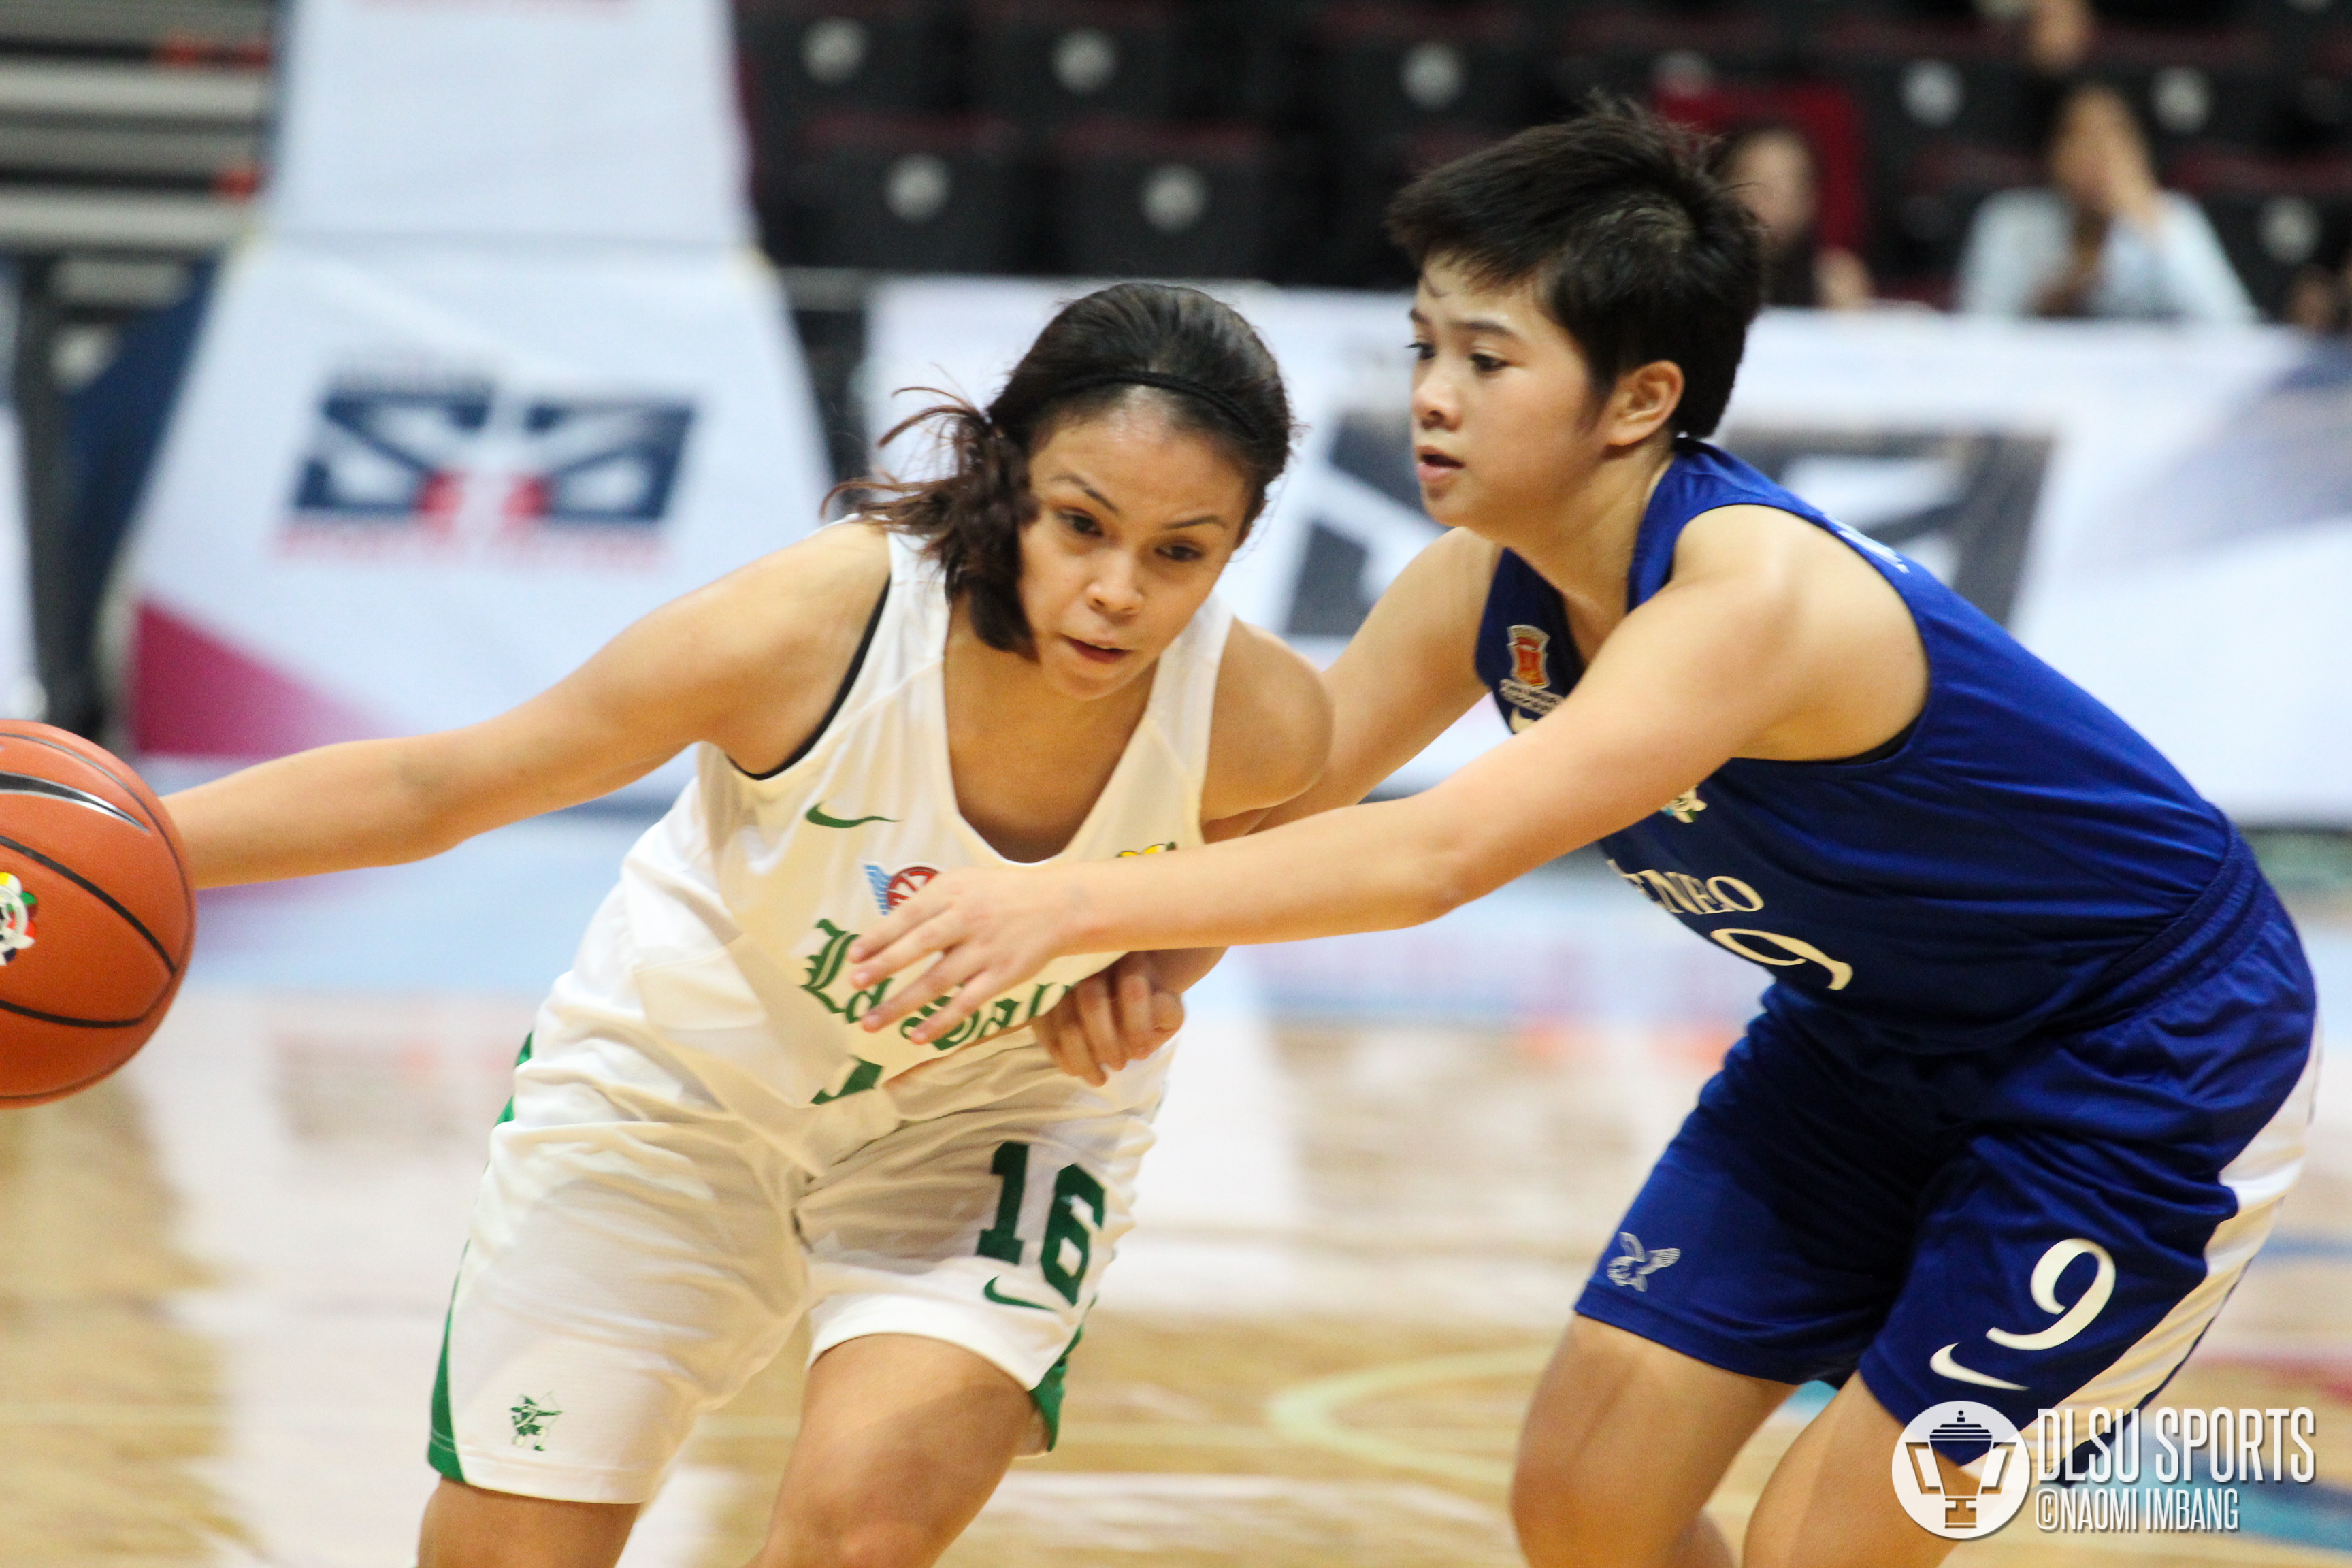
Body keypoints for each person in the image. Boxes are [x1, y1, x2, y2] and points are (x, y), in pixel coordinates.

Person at [844, 105, 2317, 1568]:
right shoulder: (1475, 583)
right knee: (1586, 1505)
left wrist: (1060, 908)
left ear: (1635, 400)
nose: (1433, 394)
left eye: (1488, 360)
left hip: (2142, 1065)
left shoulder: (1751, 599)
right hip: (1866, 1046)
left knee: (1828, 1544)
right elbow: (1289, 806)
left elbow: (1434, 858)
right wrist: (1154, 956)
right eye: (1426, 346)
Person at [161, 281, 1330, 1568]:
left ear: (1237, 544)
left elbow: (1239, 854)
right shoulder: (811, 626)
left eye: (1179, 551)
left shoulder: (1261, 720)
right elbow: (440, 786)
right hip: (680, 1091)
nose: (1117, 589)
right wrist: (122, 841)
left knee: (861, 1533)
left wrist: (1155, 964)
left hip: (989, 1116)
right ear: (1004, 480)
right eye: (1079, 524)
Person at [1956, 80, 2255, 323]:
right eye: (2080, 138)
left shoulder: (2173, 218)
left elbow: (2231, 329)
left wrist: (2151, 227)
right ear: (2053, 153)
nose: (2097, 155)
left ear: (2139, 152)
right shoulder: (2010, 220)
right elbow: (1976, 339)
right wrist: (2042, 309)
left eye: (2113, 138)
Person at [1715, 123, 1871, 310]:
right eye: (1756, 183)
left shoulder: (1831, 281)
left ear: (1812, 199)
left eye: (1787, 186)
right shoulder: (1695, 274)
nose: (1772, 200)